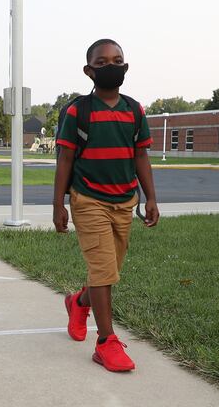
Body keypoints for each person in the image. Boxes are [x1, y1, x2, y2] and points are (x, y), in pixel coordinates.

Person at [53, 39, 159, 372]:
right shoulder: (77, 111)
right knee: (102, 270)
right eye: (102, 62)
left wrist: (151, 196)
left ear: (125, 67)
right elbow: (65, 157)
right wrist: (59, 204)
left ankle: (78, 303)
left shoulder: (134, 110)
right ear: (89, 71)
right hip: (88, 200)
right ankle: (106, 342)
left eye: (117, 60)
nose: (111, 65)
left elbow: (141, 154)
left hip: (124, 202)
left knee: (108, 273)